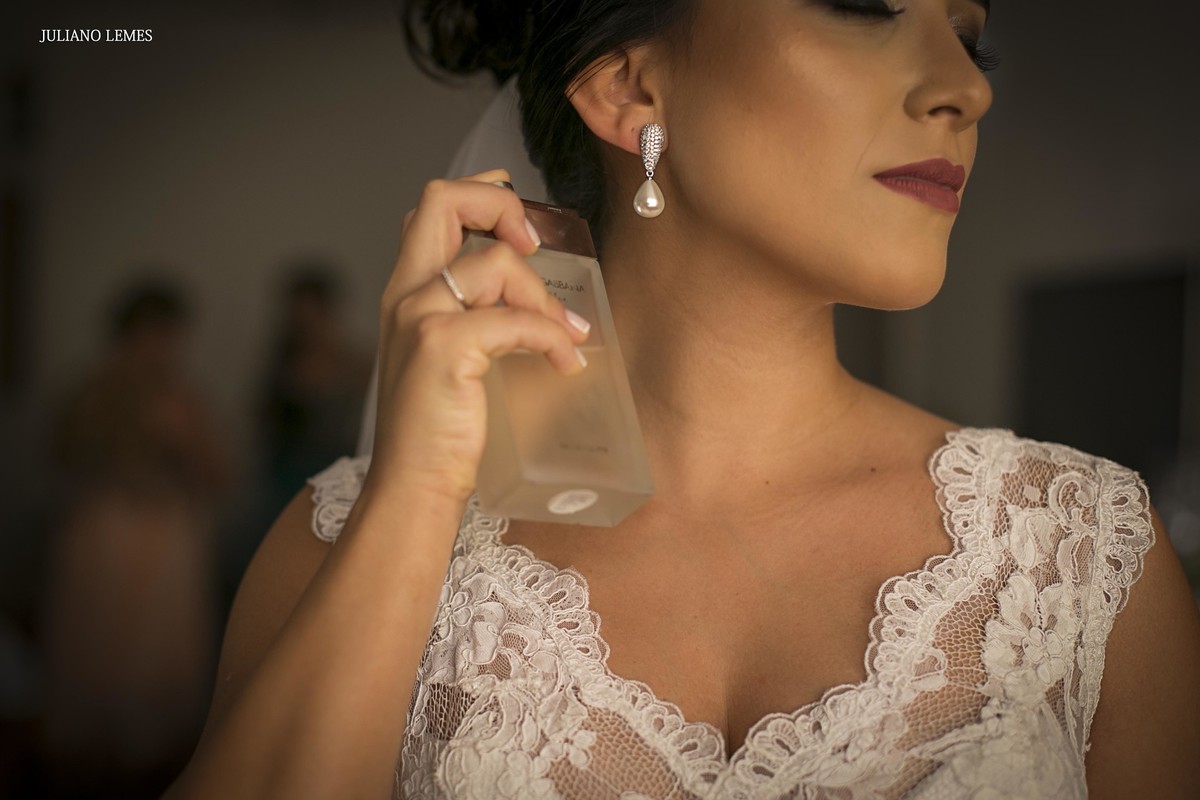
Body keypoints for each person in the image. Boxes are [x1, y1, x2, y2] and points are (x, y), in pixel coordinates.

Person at [171, 1, 1200, 798]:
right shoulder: (344, 534)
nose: (964, 90)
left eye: (973, 42)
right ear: (630, 88)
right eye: (860, 5)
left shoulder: (1085, 556)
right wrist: (421, 492)